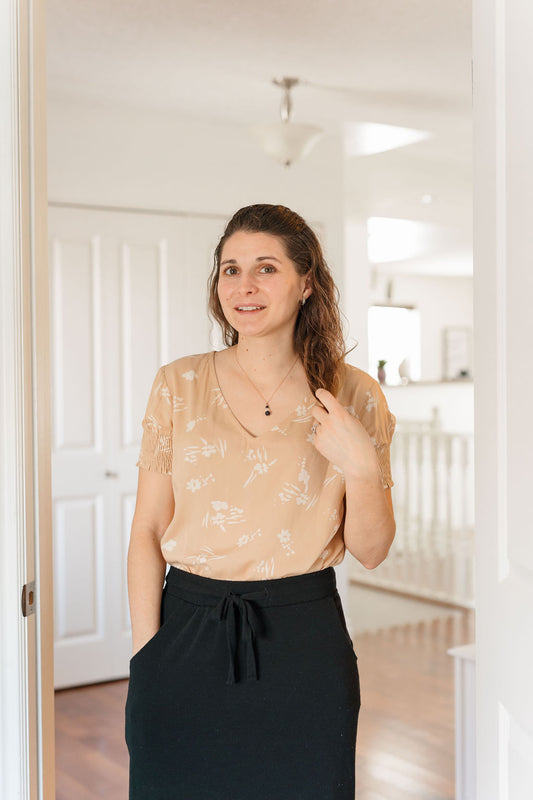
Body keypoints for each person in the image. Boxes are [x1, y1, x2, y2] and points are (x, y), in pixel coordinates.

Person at [125, 203, 396, 800]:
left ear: (306, 283)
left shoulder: (354, 393)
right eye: (230, 269)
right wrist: (148, 657)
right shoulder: (179, 383)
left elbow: (371, 552)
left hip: (305, 642)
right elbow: (146, 529)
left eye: (266, 268)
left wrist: (362, 466)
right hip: (185, 634)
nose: (244, 286)